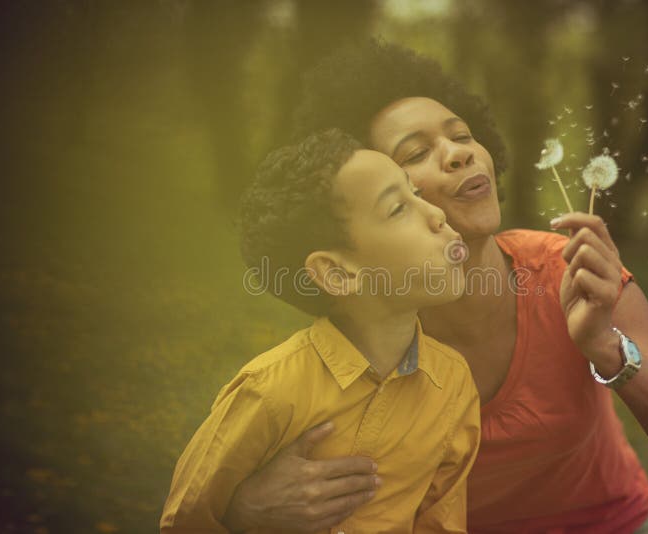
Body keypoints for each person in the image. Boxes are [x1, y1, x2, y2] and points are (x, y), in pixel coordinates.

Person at [223, 41, 648, 534]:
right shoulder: (355, 341)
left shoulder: (572, 276)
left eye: (463, 135)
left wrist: (605, 347)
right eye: (415, 153)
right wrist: (245, 505)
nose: (458, 154)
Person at [160, 129, 481, 533]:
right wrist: (243, 518)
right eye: (398, 208)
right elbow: (184, 523)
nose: (436, 214)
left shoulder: (453, 385)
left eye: (416, 193)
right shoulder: (270, 392)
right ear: (337, 273)